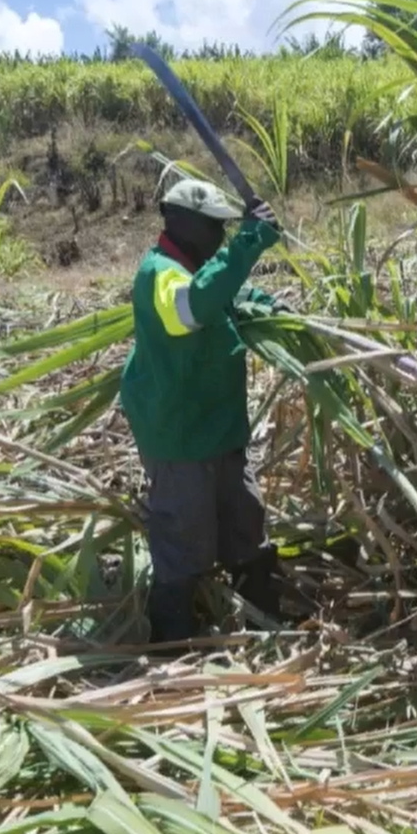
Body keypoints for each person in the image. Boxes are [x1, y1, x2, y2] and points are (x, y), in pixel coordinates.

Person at [119, 174, 288, 644]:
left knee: (245, 525)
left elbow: (228, 297)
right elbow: (193, 308)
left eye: (226, 228)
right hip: (179, 437)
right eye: (214, 227)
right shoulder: (161, 275)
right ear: (181, 222)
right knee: (183, 542)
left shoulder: (200, 265)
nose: (220, 237)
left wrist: (271, 308)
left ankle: (266, 624)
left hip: (222, 430)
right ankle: (172, 647)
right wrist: (248, 244)